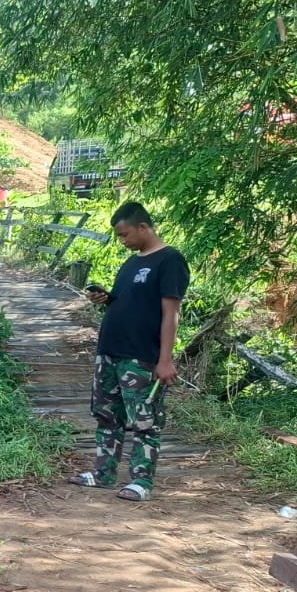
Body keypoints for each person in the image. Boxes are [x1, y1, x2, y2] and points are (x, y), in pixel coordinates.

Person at [71, 201, 189, 502]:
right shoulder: (131, 263)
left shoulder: (170, 260)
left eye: (125, 235)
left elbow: (171, 313)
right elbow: (130, 302)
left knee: (145, 421)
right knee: (107, 415)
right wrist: (107, 299)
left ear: (143, 227)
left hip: (141, 355)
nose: (122, 241)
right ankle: (104, 473)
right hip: (110, 350)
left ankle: (141, 480)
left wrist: (165, 360)